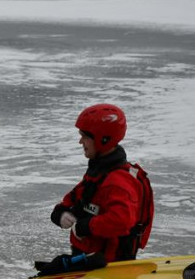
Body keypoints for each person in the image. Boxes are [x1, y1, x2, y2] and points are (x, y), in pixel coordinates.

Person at [49, 104, 153, 262]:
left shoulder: (118, 182)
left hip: (107, 271)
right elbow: (76, 197)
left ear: (102, 139)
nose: (80, 141)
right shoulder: (99, 173)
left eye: (84, 136)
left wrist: (86, 227)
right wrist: (62, 213)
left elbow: (121, 220)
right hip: (89, 263)